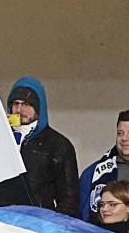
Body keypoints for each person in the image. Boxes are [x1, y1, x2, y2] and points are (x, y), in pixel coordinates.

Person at [6, 77, 80, 217]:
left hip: (38, 223)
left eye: (27, 104)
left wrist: (49, 225)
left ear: (39, 107)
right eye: (15, 104)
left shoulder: (59, 145)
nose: (19, 110)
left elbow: (69, 203)